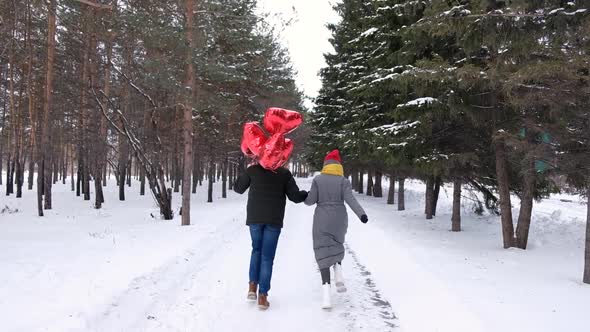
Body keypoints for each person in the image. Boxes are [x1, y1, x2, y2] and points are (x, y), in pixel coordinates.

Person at [234, 160, 308, 311]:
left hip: (255, 218)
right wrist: (307, 194)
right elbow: (294, 197)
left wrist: (247, 169)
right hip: (273, 220)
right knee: (267, 257)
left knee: (256, 250)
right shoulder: (284, 173)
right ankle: (263, 296)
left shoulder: (253, 170)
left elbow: (238, 188)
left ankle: (252, 287)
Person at [304, 149, 368, 309]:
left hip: (322, 218)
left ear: (326, 164)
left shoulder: (318, 179)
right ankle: (338, 271)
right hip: (340, 218)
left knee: (322, 250)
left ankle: (326, 295)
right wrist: (362, 215)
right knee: (336, 245)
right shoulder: (343, 181)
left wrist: (304, 195)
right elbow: (351, 200)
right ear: (339, 165)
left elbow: (310, 201)